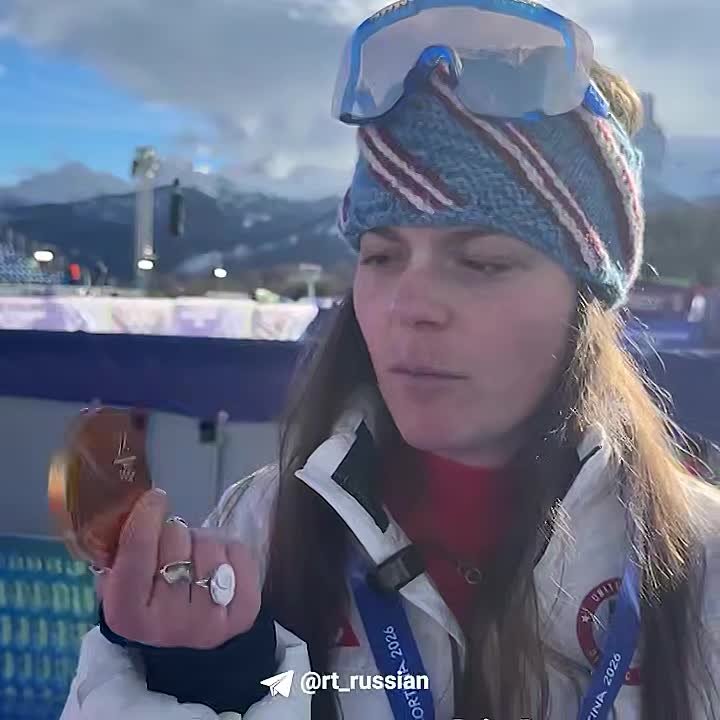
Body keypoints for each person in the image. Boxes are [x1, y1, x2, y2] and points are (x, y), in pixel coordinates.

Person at [60, 2, 720, 719]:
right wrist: (203, 682)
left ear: (587, 298)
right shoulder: (258, 531)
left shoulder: (701, 566)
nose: (409, 305)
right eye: (381, 256)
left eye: (483, 262)